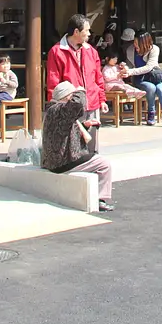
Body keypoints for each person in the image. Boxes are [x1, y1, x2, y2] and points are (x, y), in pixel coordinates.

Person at [43, 81, 114, 212]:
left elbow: (64, 131)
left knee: (94, 160)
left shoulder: (52, 110)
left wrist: (85, 125)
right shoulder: (59, 110)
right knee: (104, 164)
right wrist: (80, 91)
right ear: (67, 97)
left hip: (54, 160)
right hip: (63, 161)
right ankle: (100, 199)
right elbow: (77, 105)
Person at [46, 14, 107, 148]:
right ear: (76, 32)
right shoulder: (56, 52)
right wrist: (55, 107)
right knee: (72, 145)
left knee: (92, 146)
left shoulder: (91, 51)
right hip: (70, 106)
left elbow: (98, 77)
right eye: (87, 30)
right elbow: (53, 82)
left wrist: (102, 99)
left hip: (92, 102)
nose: (90, 34)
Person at [124, 31, 162, 128]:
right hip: (140, 79)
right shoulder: (130, 50)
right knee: (151, 88)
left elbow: (149, 67)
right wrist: (124, 67)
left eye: (137, 43)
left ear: (144, 43)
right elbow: (129, 65)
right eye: (134, 43)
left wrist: (131, 71)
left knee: (161, 90)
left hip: (154, 76)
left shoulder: (154, 49)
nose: (135, 45)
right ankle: (151, 113)